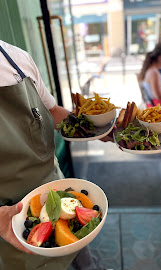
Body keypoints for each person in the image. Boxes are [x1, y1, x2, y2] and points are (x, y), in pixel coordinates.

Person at [0, 40, 107, 270]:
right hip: (12, 222)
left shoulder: (17, 59)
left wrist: (98, 129)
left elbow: (52, 112)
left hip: (58, 191)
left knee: (84, 257)